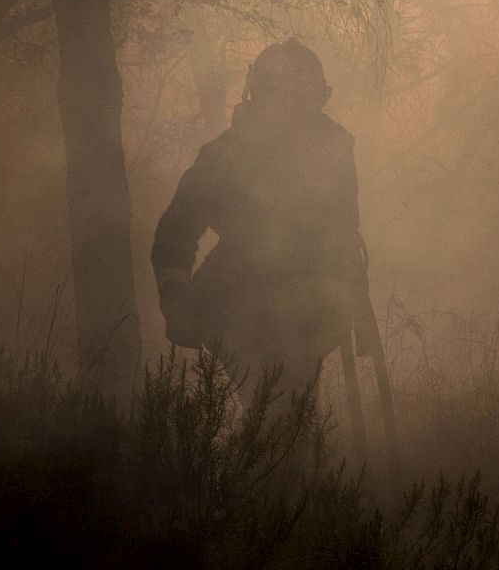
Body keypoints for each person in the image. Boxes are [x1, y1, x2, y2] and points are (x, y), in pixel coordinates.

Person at [151, 38, 377, 395]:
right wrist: (176, 297)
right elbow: (175, 232)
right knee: (278, 412)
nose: (292, 112)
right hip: (239, 307)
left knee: (282, 414)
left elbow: (344, 234)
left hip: (305, 308)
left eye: (301, 101)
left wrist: (356, 303)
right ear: (262, 96)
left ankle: (273, 446)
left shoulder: (330, 149)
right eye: (285, 99)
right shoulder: (224, 157)